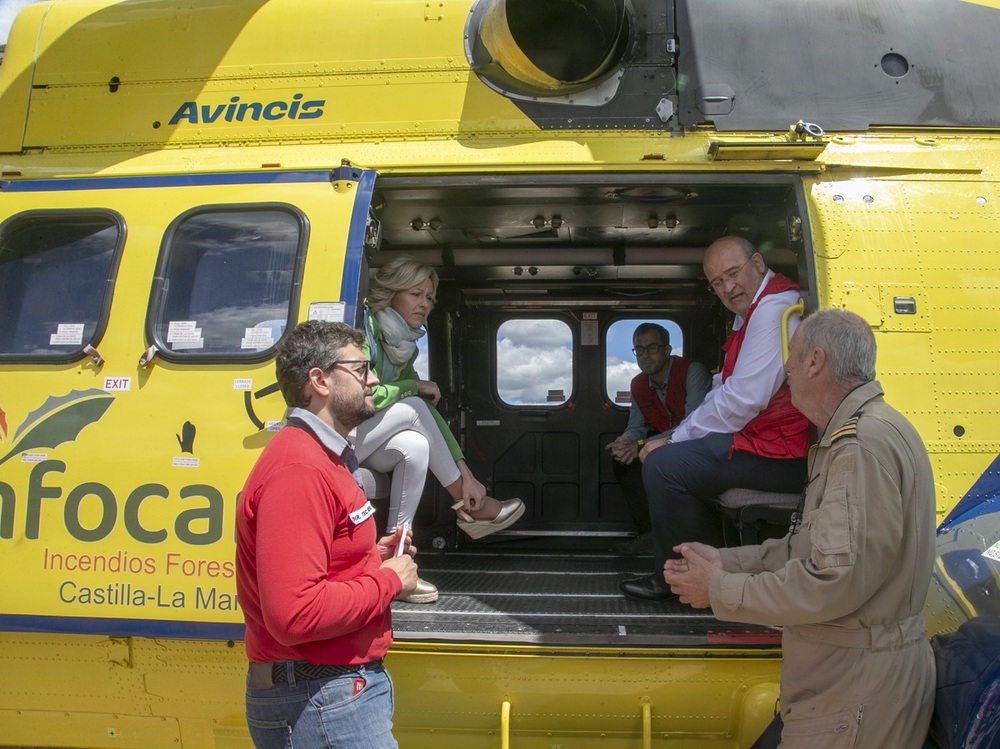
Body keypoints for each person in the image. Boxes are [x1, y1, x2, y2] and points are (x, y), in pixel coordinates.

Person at [663, 308, 936, 748]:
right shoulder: (867, 432)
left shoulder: (859, 447)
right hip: (840, 685)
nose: (786, 368)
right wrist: (727, 560)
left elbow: (833, 583)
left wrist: (718, 590)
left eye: (793, 356)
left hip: (854, 694)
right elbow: (810, 550)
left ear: (815, 362)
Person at [235, 320, 419, 749]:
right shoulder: (300, 469)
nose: (373, 379)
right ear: (318, 380)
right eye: (361, 369)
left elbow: (321, 563)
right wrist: (390, 579)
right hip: (319, 699)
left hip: (329, 694)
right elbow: (294, 614)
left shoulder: (323, 458)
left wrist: (370, 556)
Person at [620, 236, 810, 600]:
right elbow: (724, 391)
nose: (728, 287)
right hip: (764, 442)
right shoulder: (749, 315)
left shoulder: (772, 310)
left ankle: (682, 581)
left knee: (663, 465)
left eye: (733, 273)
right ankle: (703, 569)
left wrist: (674, 440)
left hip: (782, 451)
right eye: (717, 283)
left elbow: (743, 399)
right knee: (669, 460)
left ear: (757, 264)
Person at [354, 255, 524, 603]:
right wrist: (412, 388)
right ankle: (469, 505)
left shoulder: (403, 348)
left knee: (415, 445)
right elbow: (362, 396)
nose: (425, 304)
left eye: (429, 297)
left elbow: (425, 418)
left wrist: (464, 469)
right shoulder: (364, 332)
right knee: (414, 405)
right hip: (343, 439)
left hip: (367, 441)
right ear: (392, 294)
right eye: (416, 294)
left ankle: (396, 563)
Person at [605, 323, 711, 554]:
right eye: (639, 350)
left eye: (651, 348)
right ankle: (649, 534)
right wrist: (625, 442)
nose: (645, 355)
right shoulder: (638, 384)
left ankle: (684, 537)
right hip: (662, 444)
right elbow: (636, 426)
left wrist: (641, 445)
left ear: (667, 349)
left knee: (653, 459)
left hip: (696, 443)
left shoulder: (692, 371)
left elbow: (694, 424)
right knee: (623, 462)